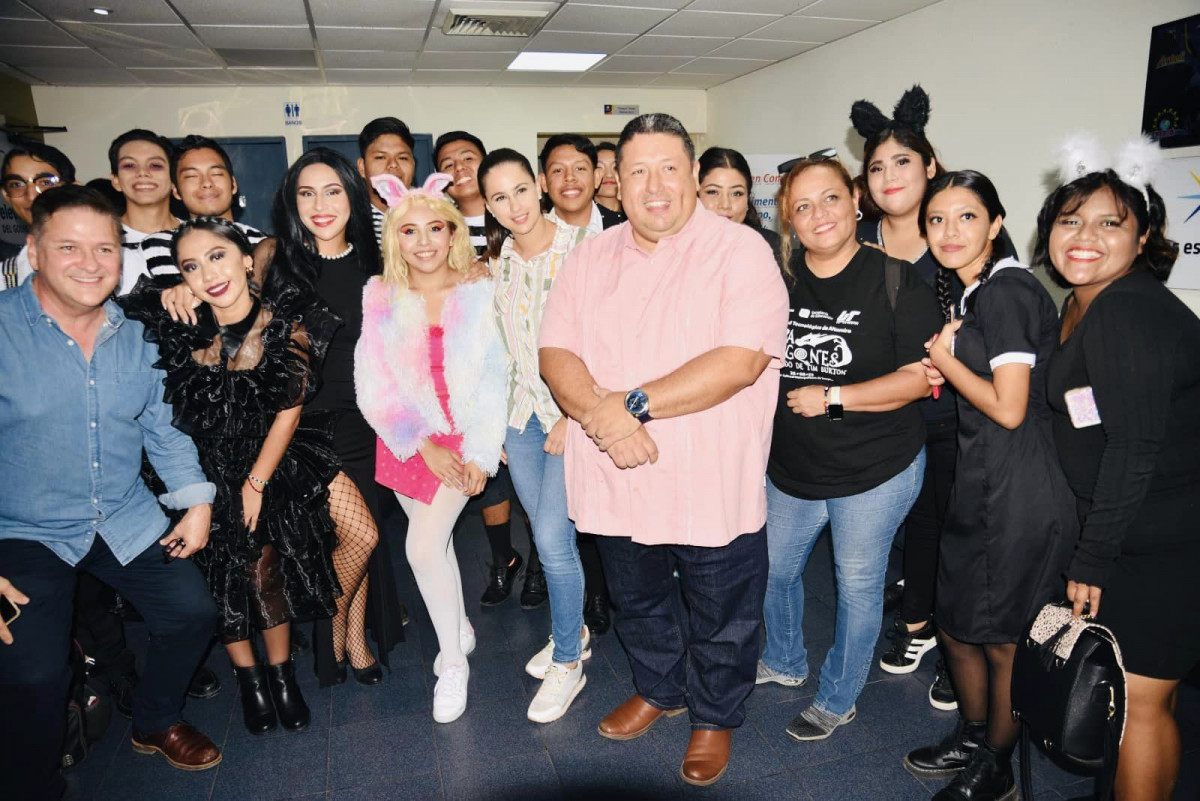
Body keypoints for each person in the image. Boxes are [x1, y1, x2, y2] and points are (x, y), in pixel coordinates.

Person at [540, 113, 788, 786]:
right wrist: (607, 420)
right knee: (638, 599)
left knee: (723, 612)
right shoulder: (590, 256)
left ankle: (714, 713)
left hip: (711, 479)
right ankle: (659, 688)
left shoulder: (742, 252)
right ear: (616, 183)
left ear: (694, 175)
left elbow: (739, 361)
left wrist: (628, 407)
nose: (655, 186)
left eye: (669, 168)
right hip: (617, 475)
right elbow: (556, 352)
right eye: (638, 172)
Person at [0, 186, 221, 800]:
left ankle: (154, 719)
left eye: (104, 248)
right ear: (34, 251)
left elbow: (162, 429)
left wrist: (196, 501)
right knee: (34, 675)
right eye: (69, 247)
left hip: (121, 515)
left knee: (191, 613)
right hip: (25, 529)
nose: (90, 263)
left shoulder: (137, 334)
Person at [121, 217, 357, 735]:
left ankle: (282, 677)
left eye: (217, 256)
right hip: (194, 469)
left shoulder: (286, 322)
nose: (209, 273)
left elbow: (288, 412)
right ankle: (249, 681)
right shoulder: (179, 321)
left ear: (246, 259)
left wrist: (256, 484)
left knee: (265, 570)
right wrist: (170, 292)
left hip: (263, 463)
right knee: (218, 580)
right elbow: (112, 305)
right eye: (191, 266)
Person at [902, 171, 1077, 799]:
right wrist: (948, 361)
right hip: (979, 480)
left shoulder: (1008, 291)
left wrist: (945, 361)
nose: (949, 231)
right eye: (937, 219)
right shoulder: (976, 294)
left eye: (967, 217)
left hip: (1020, 489)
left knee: (1002, 636)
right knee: (956, 623)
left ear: (996, 223)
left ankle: (996, 764)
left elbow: (1008, 407)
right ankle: (974, 736)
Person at [1037, 140, 1200, 801]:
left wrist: (1092, 558)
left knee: (1141, 702)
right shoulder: (1084, 300)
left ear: (1143, 237)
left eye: (1110, 223)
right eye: (1071, 219)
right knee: (1139, 696)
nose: (1085, 237)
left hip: (1163, 542)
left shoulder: (1128, 310)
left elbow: (1133, 447)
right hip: (1134, 529)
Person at [761, 155, 941, 741]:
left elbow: (918, 380)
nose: (820, 214)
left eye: (831, 198)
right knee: (773, 570)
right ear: (788, 216)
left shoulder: (896, 279)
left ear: (855, 201)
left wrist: (833, 398)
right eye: (803, 205)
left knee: (857, 586)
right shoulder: (777, 278)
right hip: (792, 466)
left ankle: (838, 698)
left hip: (875, 467)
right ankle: (784, 660)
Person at [355, 172, 506, 723]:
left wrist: (481, 450)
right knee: (435, 547)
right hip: (406, 440)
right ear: (394, 238)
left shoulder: (480, 290)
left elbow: (495, 376)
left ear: (452, 233)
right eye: (409, 230)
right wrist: (420, 445)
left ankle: (454, 665)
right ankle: (456, 623)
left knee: (420, 548)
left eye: (435, 228)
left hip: (463, 437)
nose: (423, 242)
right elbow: (372, 381)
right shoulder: (381, 295)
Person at [262, 148, 401, 686]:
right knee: (361, 535)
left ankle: (353, 641)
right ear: (292, 203)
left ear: (353, 196)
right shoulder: (279, 265)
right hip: (304, 427)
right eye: (306, 193)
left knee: (354, 539)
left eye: (332, 191)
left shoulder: (379, 264)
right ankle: (337, 630)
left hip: (367, 422)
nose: (320, 204)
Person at [850, 87, 963, 712]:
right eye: (876, 166)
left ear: (930, 165)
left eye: (902, 161)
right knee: (915, 524)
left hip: (950, 415)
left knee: (956, 525)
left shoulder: (955, 232)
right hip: (880, 413)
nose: (889, 175)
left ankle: (960, 645)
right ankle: (918, 622)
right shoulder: (854, 237)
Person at [477, 148, 592, 722]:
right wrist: (494, 424)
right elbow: (498, 353)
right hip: (521, 420)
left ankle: (568, 660)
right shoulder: (498, 263)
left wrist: (577, 415)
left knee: (550, 539)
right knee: (548, 538)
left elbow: (606, 341)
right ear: (488, 205)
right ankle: (574, 630)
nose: (514, 205)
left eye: (521, 189)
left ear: (540, 186)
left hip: (572, 419)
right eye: (499, 197)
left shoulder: (585, 249)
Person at [434, 130, 536, 608]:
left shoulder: (515, 218)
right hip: (474, 370)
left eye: (467, 158)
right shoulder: (440, 225)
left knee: (532, 479)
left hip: (524, 364)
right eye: (447, 162)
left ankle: (538, 564)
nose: (458, 168)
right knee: (489, 475)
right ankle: (503, 560)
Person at [108, 129, 182, 294]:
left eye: (155, 165)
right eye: (129, 165)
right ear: (116, 180)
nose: (142, 173)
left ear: (173, 179)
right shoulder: (103, 239)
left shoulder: (198, 235)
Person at [1, 140, 74, 290]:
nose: (31, 195)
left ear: (73, 189)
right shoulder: (6, 280)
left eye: (45, 182)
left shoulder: (115, 260)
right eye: (17, 184)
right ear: (6, 195)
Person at [697, 146, 779, 257]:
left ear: (747, 199)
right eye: (713, 192)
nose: (725, 205)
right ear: (695, 195)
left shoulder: (770, 246)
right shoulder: (677, 248)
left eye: (736, 193)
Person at [540, 133, 624, 236]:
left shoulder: (625, 228)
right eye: (558, 170)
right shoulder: (531, 235)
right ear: (544, 182)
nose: (569, 177)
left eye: (580, 169)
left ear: (597, 177)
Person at [356, 117, 417, 248]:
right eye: (380, 157)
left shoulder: (433, 211)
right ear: (362, 167)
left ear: (413, 164)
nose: (393, 164)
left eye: (402, 158)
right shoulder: (348, 220)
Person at [594, 141, 623, 218]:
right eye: (599, 167)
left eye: (615, 167)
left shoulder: (637, 216)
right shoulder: (580, 218)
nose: (609, 174)